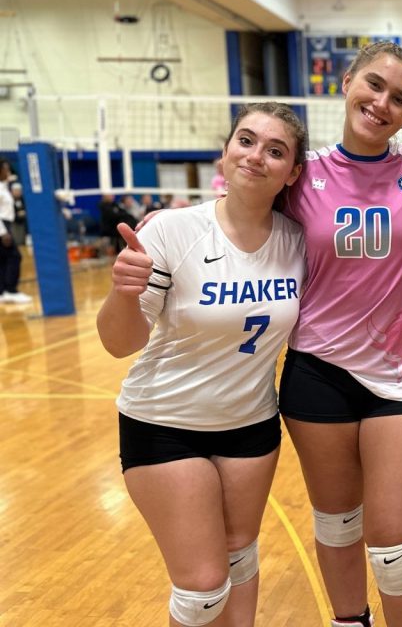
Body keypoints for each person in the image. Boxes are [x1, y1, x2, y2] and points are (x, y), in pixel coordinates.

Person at [95, 102, 307, 627]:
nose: (256, 156)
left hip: (252, 426)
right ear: (226, 150)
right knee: (203, 588)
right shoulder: (172, 231)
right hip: (165, 424)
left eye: (275, 150)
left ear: (293, 172)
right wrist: (124, 292)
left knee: (241, 556)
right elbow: (119, 344)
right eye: (246, 140)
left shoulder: (299, 241)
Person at [278, 40, 402, 627]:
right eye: (374, 85)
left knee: (396, 542)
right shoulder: (302, 175)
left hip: (401, 379)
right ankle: (349, 620)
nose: (382, 103)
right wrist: (164, 222)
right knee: (336, 521)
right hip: (317, 371)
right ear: (347, 80)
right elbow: (230, 209)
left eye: (399, 99)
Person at [0, 164, 32, 304]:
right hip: (2, 226)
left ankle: (3, 291)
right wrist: (2, 232)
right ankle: (11, 290)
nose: (8, 172)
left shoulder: (4, 186)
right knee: (15, 256)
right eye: (5, 169)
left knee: (3, 259)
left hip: (7, 224)